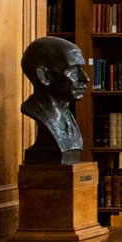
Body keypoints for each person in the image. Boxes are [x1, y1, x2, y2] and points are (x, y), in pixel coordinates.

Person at [21, 35, 89, 164]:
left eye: (82, 69)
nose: (85, 78)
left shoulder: (68, 120)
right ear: (44, 76)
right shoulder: (38, 113)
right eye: (72, 70)